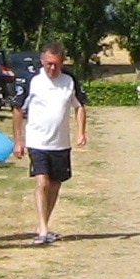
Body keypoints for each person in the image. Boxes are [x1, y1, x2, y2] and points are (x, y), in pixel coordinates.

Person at [11, 42, 86, 245]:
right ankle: (42, 229)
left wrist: (81, 132)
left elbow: (80, 106)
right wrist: (19, 141)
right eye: (49, 64)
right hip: (37, 140)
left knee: (54, 185)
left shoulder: (69, 81)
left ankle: (44, 222)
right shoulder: (32, 81)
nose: (52, 68)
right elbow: (17, 110)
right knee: (42, 182)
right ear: (42, 61)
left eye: (56, 64)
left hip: (60, 143)